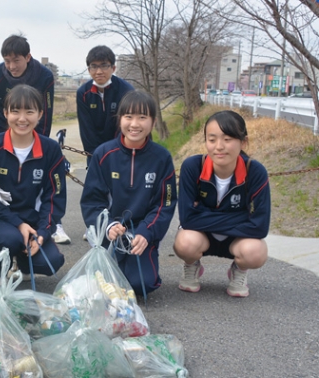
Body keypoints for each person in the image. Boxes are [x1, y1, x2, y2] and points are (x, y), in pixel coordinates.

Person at [80, 90, 177, 296]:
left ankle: (139, 262)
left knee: (141, 284)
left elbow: (164, 204)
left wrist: (146, 232)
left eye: (142, 117)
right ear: (120, 119)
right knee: (99, 286)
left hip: (140, 236)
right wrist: (109, 226)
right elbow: (92, 201)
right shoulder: (104, 154)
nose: (134, 124)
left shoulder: (162, 158)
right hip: (109, 234)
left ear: (153, 121)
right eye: (128, 117)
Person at [174, 110, 270, 298]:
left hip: (238, 240)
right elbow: (187, 218)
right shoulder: (192, 167)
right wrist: (240, 217)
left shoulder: (255, 171)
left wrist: (202, 214)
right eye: (212, 139)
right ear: (205, 142)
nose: (219, 146)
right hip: (204, 236)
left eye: (227, 139)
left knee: (256, 252)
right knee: (185, 243)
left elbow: (260, 227)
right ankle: (192, 265)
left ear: (243, 142)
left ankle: (239, 271)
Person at [0, 84, 66, 278]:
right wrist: (17, 224)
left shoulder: (50, 149)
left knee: (51, 263)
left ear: (40, 114)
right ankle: (2, 256)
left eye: (29, 111)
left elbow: (54, 196)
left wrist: (42, 233)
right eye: (15, 111)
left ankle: (23, 258)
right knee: (9, 239)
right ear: (6, 113)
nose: (22, 119)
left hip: (33, 221)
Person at [0, 34, 54, 138]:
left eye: (16, 61)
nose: (12, 66)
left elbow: (46, 115)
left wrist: (41, 141)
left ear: (28, 57)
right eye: (7, 61)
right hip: (3, 130)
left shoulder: (45, 76)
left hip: (33, 130)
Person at [77, 45, 135, 167]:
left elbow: (125, 127)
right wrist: (95, 156)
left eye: (104, 66)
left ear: (113, 68)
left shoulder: (126, 91)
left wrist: (115, 154)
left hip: (122, 152)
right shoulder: (83, 93)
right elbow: (86, 130)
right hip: (94, 154)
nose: (99, 71)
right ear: (89, 69)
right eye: (94, 66)